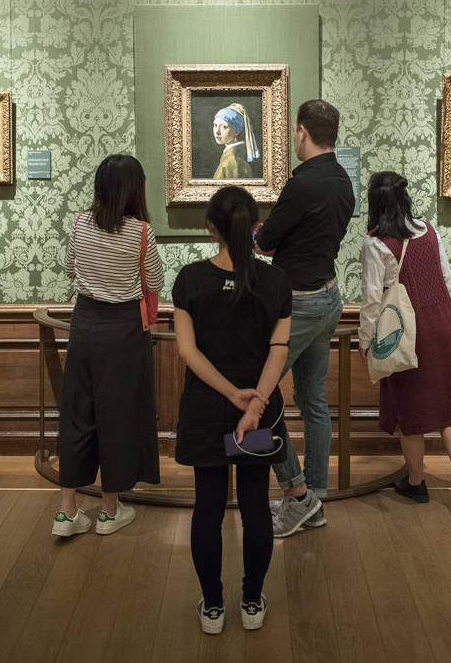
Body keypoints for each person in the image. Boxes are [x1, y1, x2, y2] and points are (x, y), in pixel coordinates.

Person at [173, 186, 291, 634]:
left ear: (210, 226)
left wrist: (231, 395)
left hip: (207, 410)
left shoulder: (190, 280)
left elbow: (187, 351)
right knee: (256, 503)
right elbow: (278, 352)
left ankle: (212, 605)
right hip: (256, 417)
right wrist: (255, 403)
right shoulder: (277, 282)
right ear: (255, 226)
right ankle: (252, 598)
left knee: (208, 506)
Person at [254, 99, 355, 537]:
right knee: (313, 399)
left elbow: (267, 242)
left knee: (257, 395)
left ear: (302, 132)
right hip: (329, 297)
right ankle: (315, 492)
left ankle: (297, 492)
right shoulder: (343, 181)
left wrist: (256, 230)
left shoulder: (302, 184)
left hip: (296, 303)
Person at [52, 154, 164, 538]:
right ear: (135, 188)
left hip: (84, 324)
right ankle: (109, 511)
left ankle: (66, 512)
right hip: (123, 330)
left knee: (78, 414)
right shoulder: (141, 232)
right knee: (116, 416)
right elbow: (155, 281)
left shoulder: (82, 222)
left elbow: (70, 269)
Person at [358, 171, 451, 507]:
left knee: (411, 405)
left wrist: (366, 341)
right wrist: (448, 321)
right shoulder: (428, 230)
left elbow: (371, 299)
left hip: (406, 328)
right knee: (450, 403)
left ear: (375, 204)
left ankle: (416, 482)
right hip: (442, 321)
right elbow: (448, 282)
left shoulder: (376, 243)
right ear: (403, 198)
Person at [212, 103, 260, 179]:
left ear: (236, 131)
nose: (217, 132)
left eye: (224, 127)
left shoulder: (232, 160)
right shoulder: (232, 156)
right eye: (215, 125)